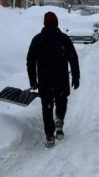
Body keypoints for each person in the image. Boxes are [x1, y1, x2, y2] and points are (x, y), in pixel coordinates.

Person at [26, 11, 80, 148]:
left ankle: (50, 136)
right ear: (57, 23)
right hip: (61, 78)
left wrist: (33, 80)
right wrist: (76, 76)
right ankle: (59, 119)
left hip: (45, 80)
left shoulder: (37, 40)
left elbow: (30, 61)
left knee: (47, 107)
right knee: (61, 101)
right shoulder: (63, 39)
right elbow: (73, 58)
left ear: (44, 23)